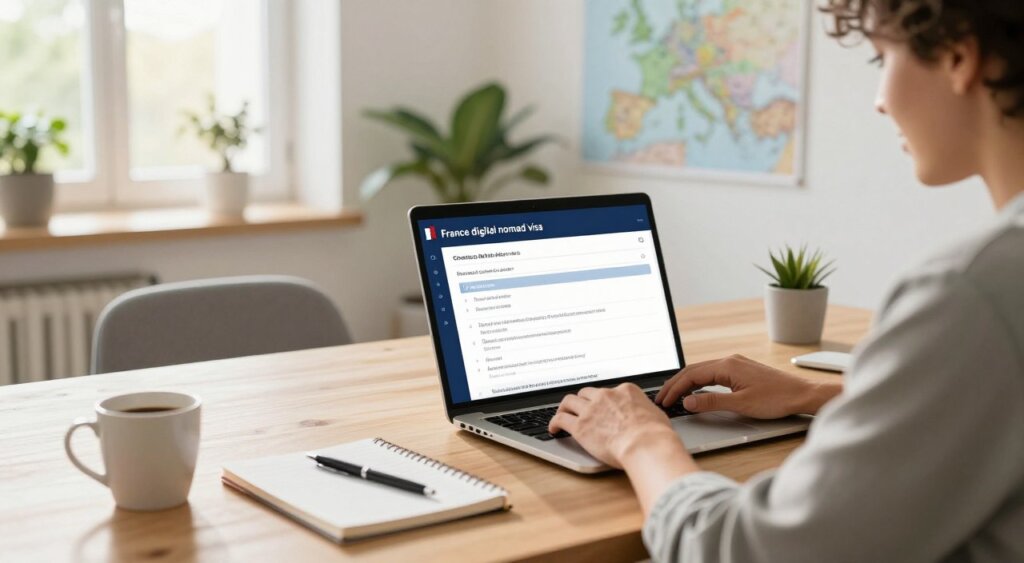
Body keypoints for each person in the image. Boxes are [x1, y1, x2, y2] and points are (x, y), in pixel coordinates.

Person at [548, 1, 1024, 561]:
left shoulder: (970, 293)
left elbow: (751, 550)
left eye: (881, 60)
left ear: (959, 58)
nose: (879, 100)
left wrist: (639, 436)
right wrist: (820, 395)